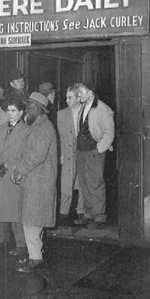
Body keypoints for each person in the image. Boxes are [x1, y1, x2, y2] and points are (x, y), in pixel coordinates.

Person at [11, 92, 58, 273]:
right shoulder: (37, 125)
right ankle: (34, 254)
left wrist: (20, 169)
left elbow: (37, 155)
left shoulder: (44, 128)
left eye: (30, 105)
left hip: (39, 182)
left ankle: (36, 258)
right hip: (34, 181)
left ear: (39, 109)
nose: (27, 108)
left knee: (32, 222)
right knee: (32, 221)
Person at [0, 98, 28, 256]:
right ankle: (1, 239)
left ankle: (21, 244)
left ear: (21, 112)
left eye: (13, 111)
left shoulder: (26, 131)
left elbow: (25, 156)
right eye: (8, 111)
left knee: (15, 210)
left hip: (12, 174)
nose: (10, 114)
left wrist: (8, 166)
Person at [75, 81, 115, 228]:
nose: (78, 95)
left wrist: (98, 150)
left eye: (80, 92)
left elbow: (109, 133)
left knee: (95, 184)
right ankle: (88, 214)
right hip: (81, 151)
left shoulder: (102, 109)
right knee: (84, 183)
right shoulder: (83, 107)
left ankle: (99, 216)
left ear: (90, 92)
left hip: (93, 152)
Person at [57, 84, 84, 226]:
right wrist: (61, 154)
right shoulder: (61, 114)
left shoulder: (86, 112)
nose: (67, 100)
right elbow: (60, 136)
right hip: (67, 154)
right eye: (66, 97)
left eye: (70, 97)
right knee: (66, 184)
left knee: (83, 184)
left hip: (82, 153)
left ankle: (81, 212)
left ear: (78, 97)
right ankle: (64, 213)